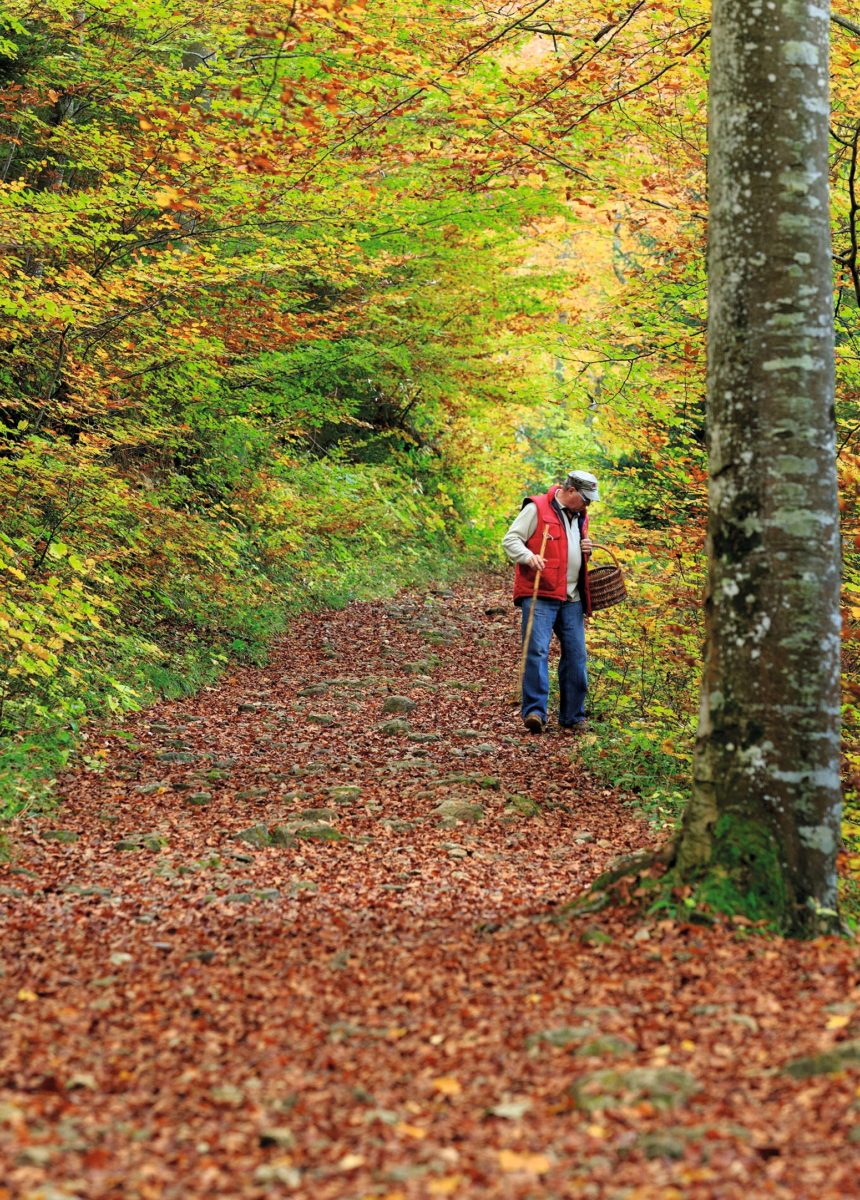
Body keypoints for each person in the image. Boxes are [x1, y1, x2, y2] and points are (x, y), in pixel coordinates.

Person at [502, 470, 599, 734]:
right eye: (586, 498)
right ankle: (534, 711)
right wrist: (527, 556)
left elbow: (571, 551)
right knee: (536, 652)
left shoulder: (580, 516)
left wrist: (585, 548)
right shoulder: (537, 507)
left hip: (572, 597)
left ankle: (572, 717)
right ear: (570, 491)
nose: (588, 504)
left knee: (577, 656)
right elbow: (511, 539)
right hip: (540, 593)